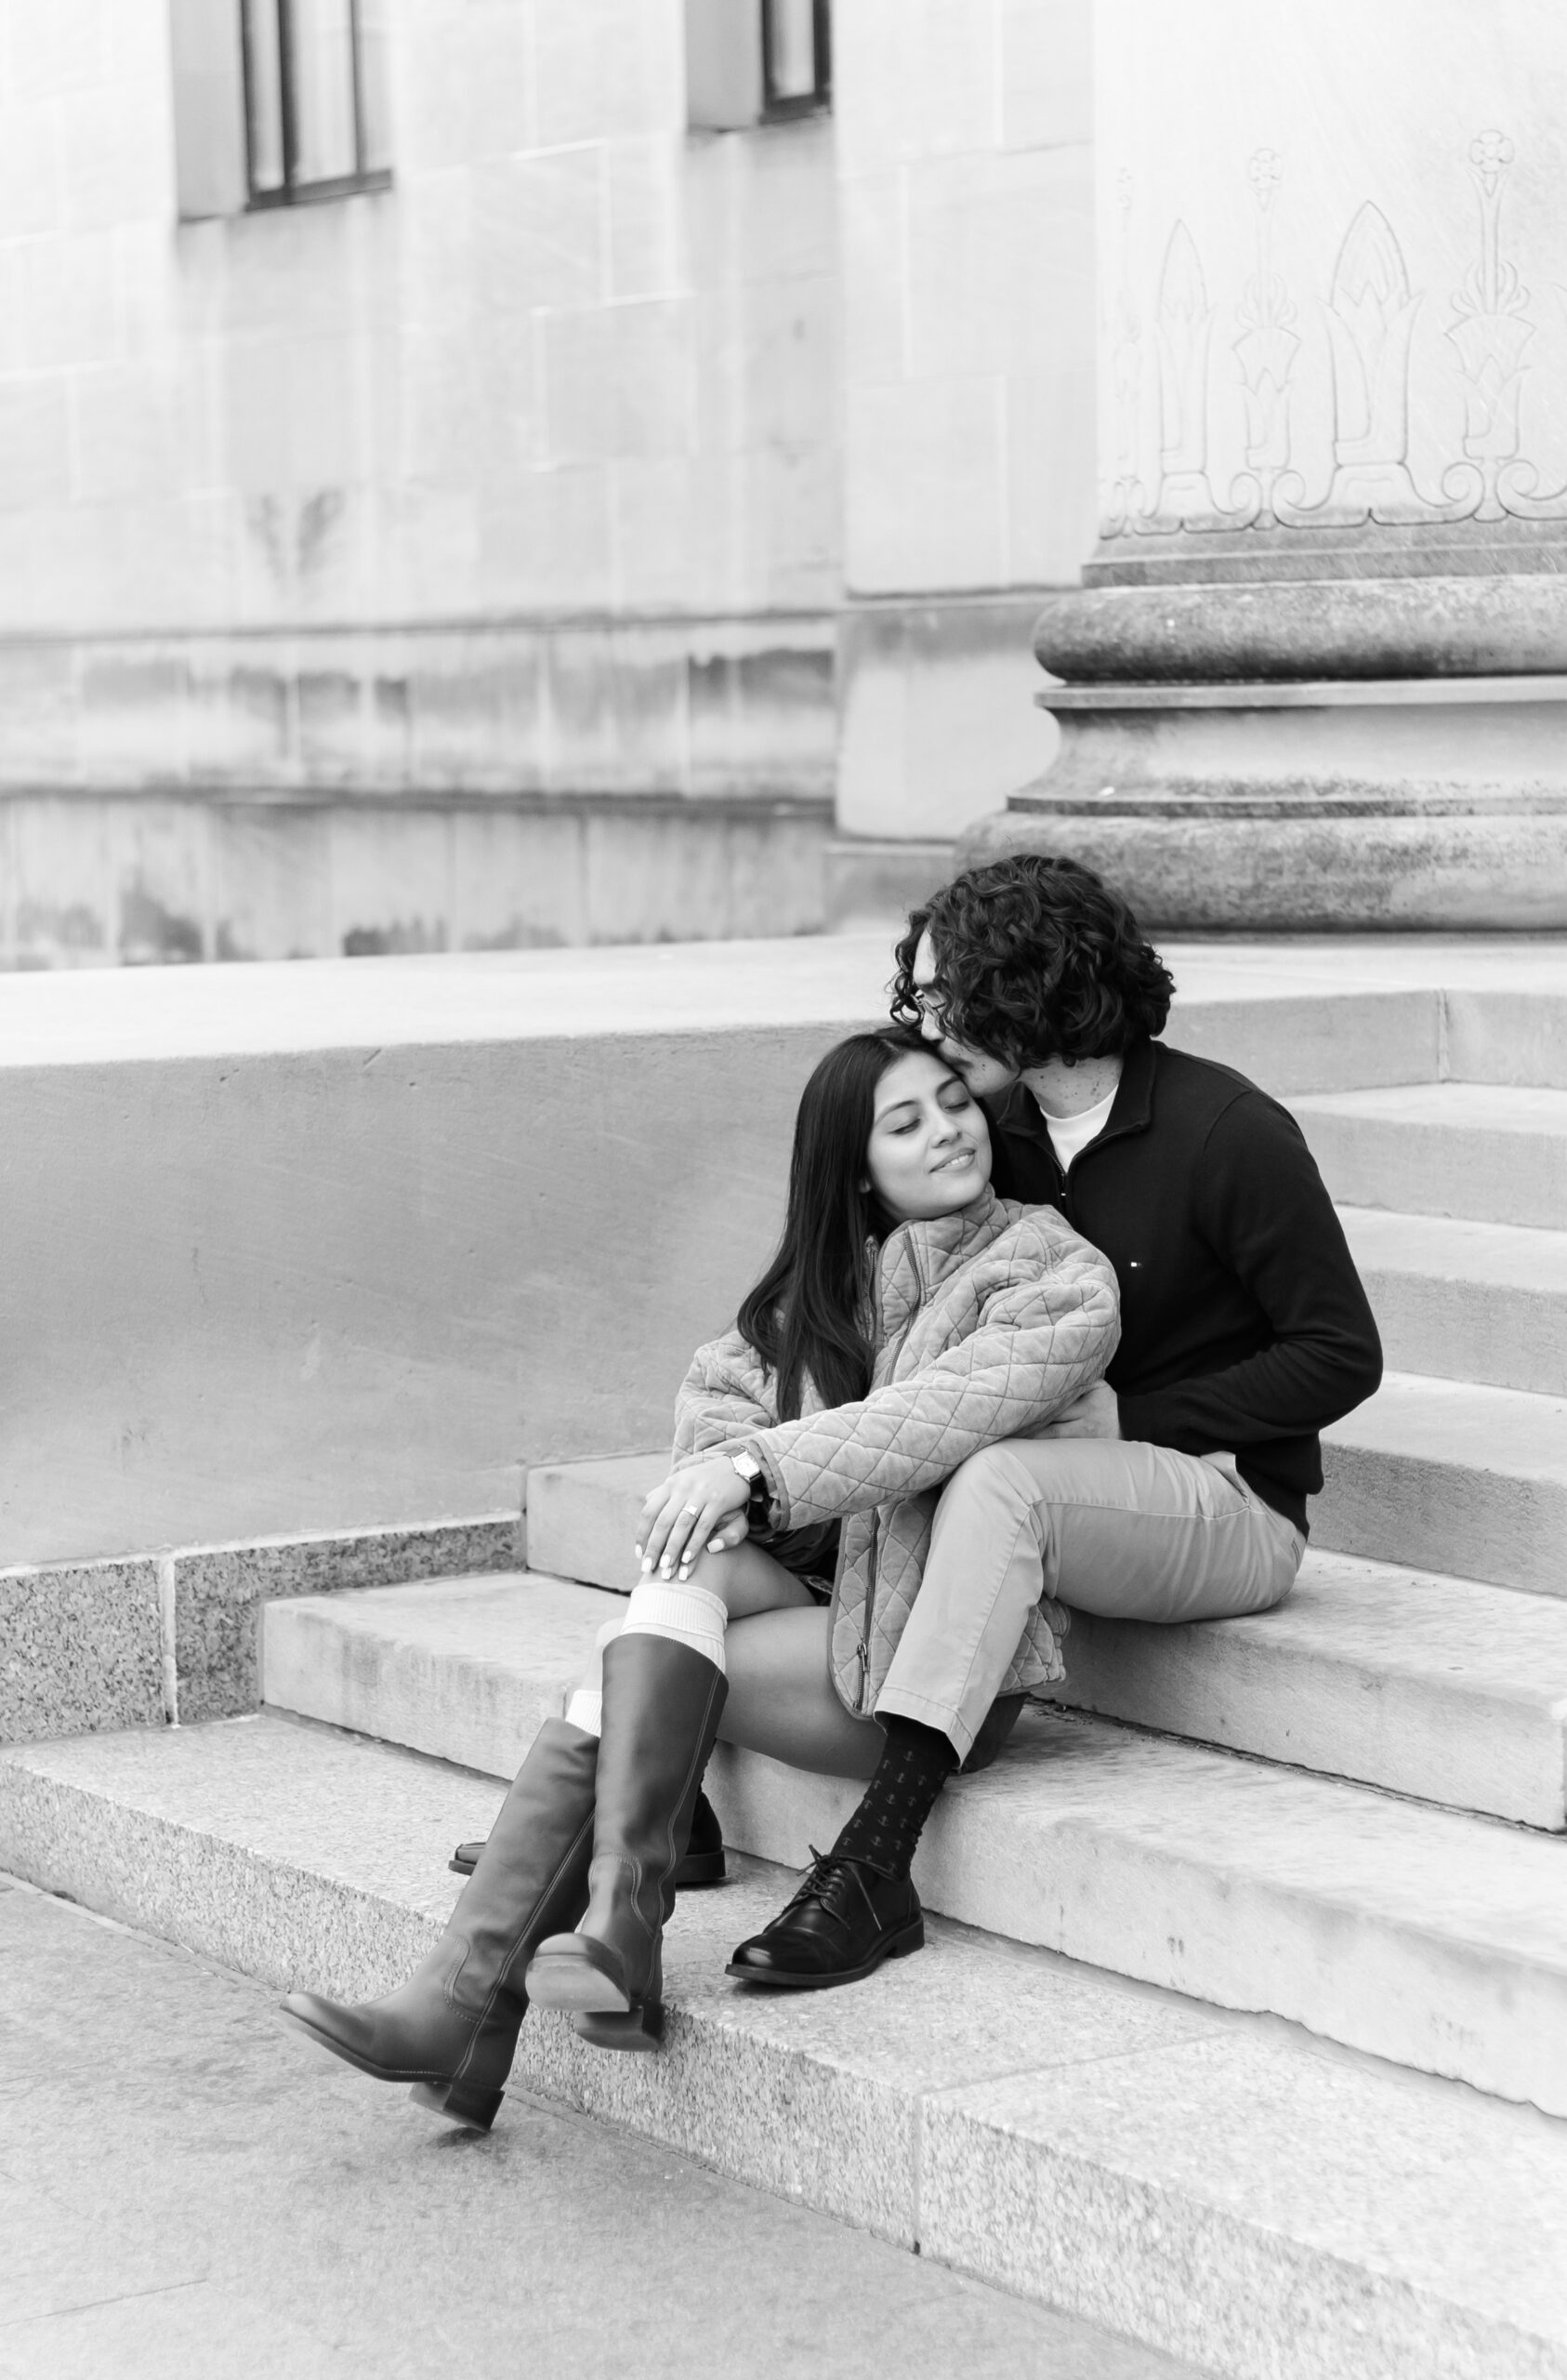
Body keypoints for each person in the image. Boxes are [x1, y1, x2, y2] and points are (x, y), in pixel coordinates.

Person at [281, 1025, 1119, 2124]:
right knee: (693, 1554)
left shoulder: (1054, 1270)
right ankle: (575, 1945)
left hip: (933, 1668)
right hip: (823, 1621)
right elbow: (711, 1407)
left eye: (953, 1103)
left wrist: (759, 1464)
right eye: (904, 1123)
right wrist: (739, 1467)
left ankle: (488, 1991)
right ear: (854, 1168)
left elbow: (934, 1419)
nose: (948, 1132)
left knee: (656, 1633)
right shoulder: (824, 1293)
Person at [725, 853, 1384, 1989]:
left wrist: (1140, 1415)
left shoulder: (1226, 1130)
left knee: (1003, 1481)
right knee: (744, 1544)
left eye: (944, 994)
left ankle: (877, 1862)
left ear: (1025, 982)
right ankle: (637, 1801)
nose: (924, 1022)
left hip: (1226, 1501)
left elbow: (1340, 1353)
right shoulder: (1001, 1132)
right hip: (1041, 1495)